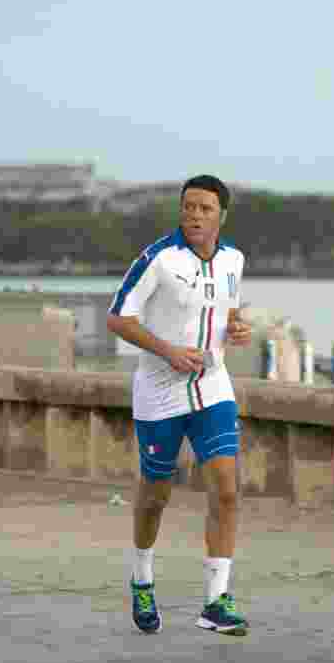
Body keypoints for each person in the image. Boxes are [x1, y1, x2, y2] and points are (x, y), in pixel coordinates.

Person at [106, 175, 252, 636]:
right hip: (159, 389)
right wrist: (167, 350)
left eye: (204, 208)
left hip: (212, 385)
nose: (193, 215)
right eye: (188, 207)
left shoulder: (234, 260)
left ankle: (215, 601)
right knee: (155, 495)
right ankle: (142, 577)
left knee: (226, 489)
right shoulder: (158, 259)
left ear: (221, 215)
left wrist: (238, 329)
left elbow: (225, 312)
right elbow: (118, 317)